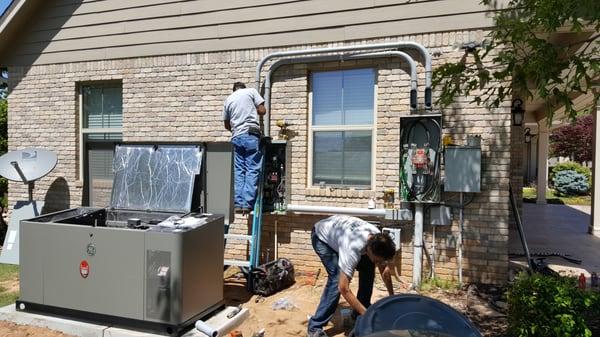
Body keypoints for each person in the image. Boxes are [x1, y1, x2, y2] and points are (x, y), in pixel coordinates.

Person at [307, 215, 396, 337]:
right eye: (377, 260)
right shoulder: (352, 249)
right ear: (370, 249)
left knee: (369, 268)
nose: (379, 264)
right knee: (336, 278)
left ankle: (358, 313)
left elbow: (384, 270)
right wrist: (367, 315)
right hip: (321, 237)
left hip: (340, 234)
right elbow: (343, 288)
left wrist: (392, 298)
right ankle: (315, 326)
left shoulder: (378, 238)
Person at [223, 82, 266, 214]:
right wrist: (254, 108)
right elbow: (262, 111)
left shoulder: (228, 99)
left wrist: (236, 130)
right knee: (252, 168)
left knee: (239, 170)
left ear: (234, 89)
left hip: (236, 137)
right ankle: (247, 203)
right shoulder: (251, 91)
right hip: (251, 134)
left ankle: (238, 203)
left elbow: (226, 124)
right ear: (243, 88)